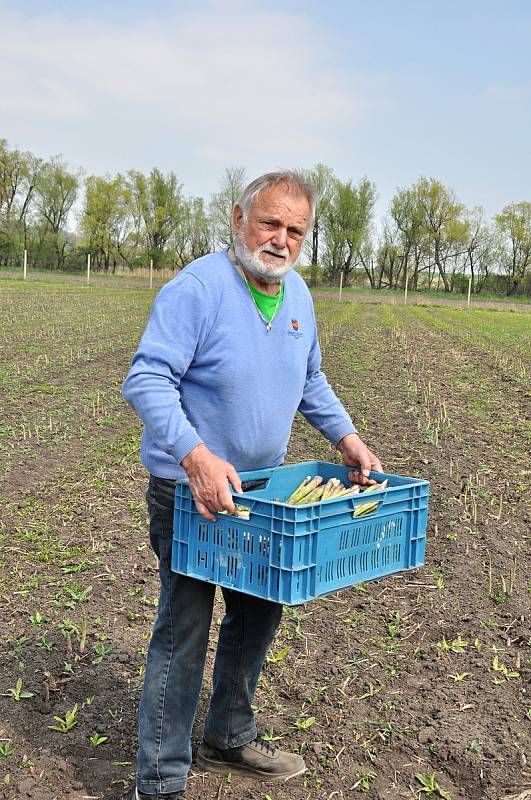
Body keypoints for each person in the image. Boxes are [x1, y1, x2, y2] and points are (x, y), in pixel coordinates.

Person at [122, 170, 383, 799]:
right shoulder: (198, 289)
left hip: (264, 495)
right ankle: (159, 781)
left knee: (256, 615)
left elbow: (311, 380)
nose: (281, 239)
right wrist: (196, 456)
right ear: (239, 218)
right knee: (184, 630)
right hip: (191, 493)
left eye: (295, 230)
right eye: (270, 222)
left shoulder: (297, 297)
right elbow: (146, 380)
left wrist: (347, 439)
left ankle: (229, 735)